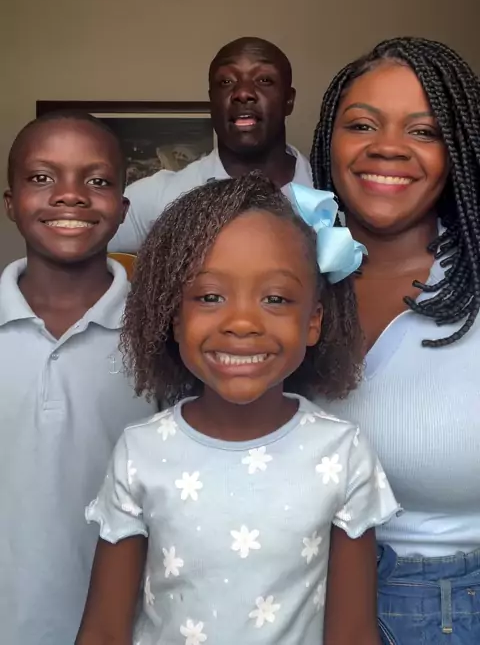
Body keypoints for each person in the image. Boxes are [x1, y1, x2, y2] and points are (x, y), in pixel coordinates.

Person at [76, 173, 399, 645]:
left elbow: (352, 634)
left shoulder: (342, 453)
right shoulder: (140, 452)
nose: (242, 323)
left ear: (313, 321)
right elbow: (103, 631)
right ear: (174, 318)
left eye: (275, 298)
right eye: (210, 297)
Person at [310, 36, 480, 644]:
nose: (387, 146)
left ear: (457, 150)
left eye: (424, 131)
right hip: (284, 592)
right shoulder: (279, 276)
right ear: (328, 140)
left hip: (450, 612)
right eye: (362, 124)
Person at [0, 110, 154, 645]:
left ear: (123, 209)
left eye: (98, 181)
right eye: (42, 177)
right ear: (10, 203)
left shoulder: (164, 338)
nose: (70, 195)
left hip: (131, 629)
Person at [109, 36, 312, 253]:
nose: (243, 93)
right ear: (211, 100)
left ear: (289, 100)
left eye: (264, 80)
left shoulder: (328, 188)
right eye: (226, 82)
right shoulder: (156, 199)